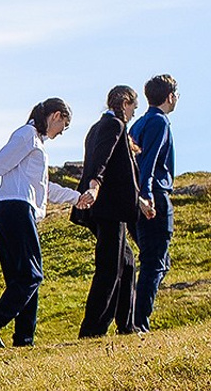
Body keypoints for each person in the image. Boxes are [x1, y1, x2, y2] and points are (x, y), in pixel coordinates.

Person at [0, 100, 78, 347]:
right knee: (32, 275)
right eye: (64, 125)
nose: (62, 131)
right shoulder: (27, 135)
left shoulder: (35, 143)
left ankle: (24, 339)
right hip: (16, 209)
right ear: (56, 116)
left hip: (8, 210)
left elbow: (44, 187)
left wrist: (76, 198)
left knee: (21, 278)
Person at [74, 85, 146, 340]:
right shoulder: (113, 125)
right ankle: (93, 329)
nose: (133, 114)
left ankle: (127, 324)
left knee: (126, 262)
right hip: (108, 208)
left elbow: (116, 170)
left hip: (107, 207)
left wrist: (140, 203)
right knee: (110, 267)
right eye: (133, 108)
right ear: (125, 103)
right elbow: (100, 162)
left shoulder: (99, 127)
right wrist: (94, 187)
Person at [132, 74, 180, 329]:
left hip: (138, 196)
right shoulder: (160, 122)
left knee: (158, 260)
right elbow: (148, 163)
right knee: (154, 262)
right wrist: (148, 195)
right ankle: (139, 322)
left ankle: (135, 317)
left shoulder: (138, 124)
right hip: (154, 196)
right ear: (170, 96)